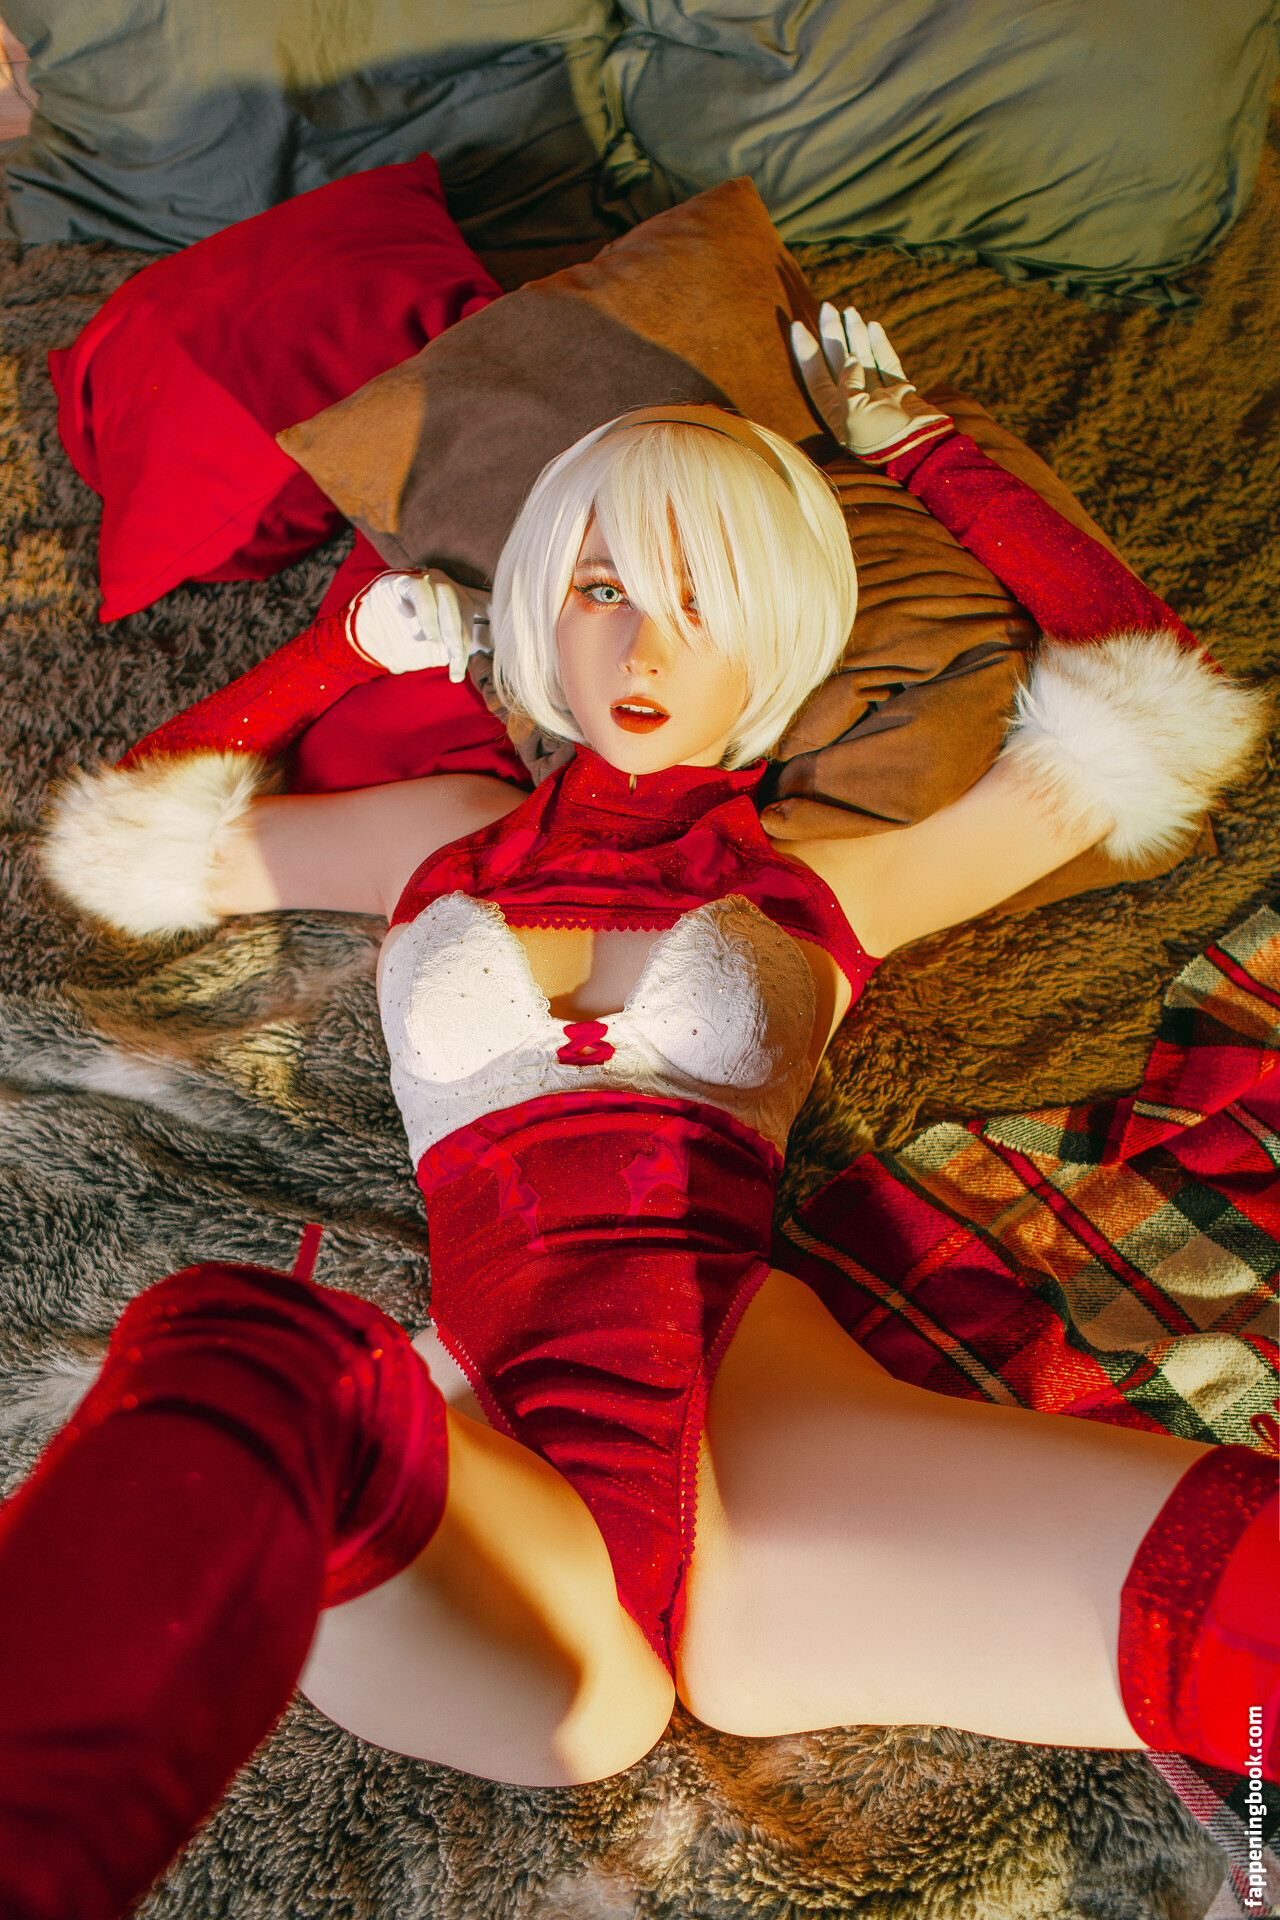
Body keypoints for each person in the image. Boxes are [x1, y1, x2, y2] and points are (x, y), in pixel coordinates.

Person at [3, 310, 1275, 1920]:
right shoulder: (439, 839)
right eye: (604, 588)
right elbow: (126, 841)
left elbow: (1155, 706)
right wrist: (346, 657)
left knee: (1249, 1590)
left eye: (704, 599)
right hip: (502, 1500)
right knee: (239, 1349)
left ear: (780, 632)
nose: (646, 650)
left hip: (771, 1454)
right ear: (544, 607)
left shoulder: (824, 882)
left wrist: (923, 447)